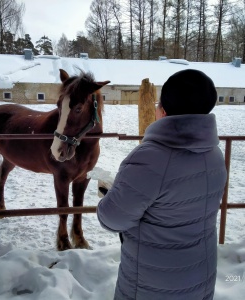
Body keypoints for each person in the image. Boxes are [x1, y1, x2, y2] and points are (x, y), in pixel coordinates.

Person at [97, 69, 227, 300]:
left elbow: (112, 218)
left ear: (163, 111)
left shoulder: (149, 158)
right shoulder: (215, 153)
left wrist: (112, 193)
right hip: (201, 274)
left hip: (154, 284)